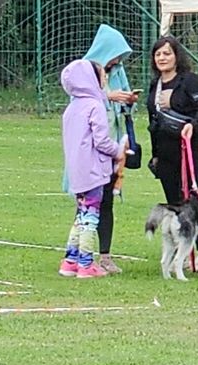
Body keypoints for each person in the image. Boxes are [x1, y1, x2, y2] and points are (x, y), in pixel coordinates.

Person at [59, 60, 124, 279]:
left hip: (77, 171)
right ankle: (86, 264)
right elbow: (102, 141)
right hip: (94, 171)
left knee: (81, 215)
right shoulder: (95, 106)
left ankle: (70, 261)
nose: (105, 78)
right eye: (102, 76)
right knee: (90, 217)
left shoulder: (72, 108)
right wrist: (119, 150)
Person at [81, 24, 138, 275]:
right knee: (86, 204)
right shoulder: (83, 72)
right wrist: (108, 97)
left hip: (113, 148)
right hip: (90, 151)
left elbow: (124, 109)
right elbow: (82, 101)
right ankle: (80, 256)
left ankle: (104, 256)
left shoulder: (117, 71)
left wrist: (128, 101)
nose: (117, 61)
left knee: (106, 203)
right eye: (115, 54)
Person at [145, 35, 198, 207]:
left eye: (167, 54)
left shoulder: (192, 81)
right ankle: (182, 233)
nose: (162, 58)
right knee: (174, 204)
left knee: (188, 201)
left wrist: (189, 121)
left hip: (194, 151)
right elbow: (154, 121)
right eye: (158, 54)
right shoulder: (155, 84)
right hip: (166, 155)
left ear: (177, 56)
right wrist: (155, 155)